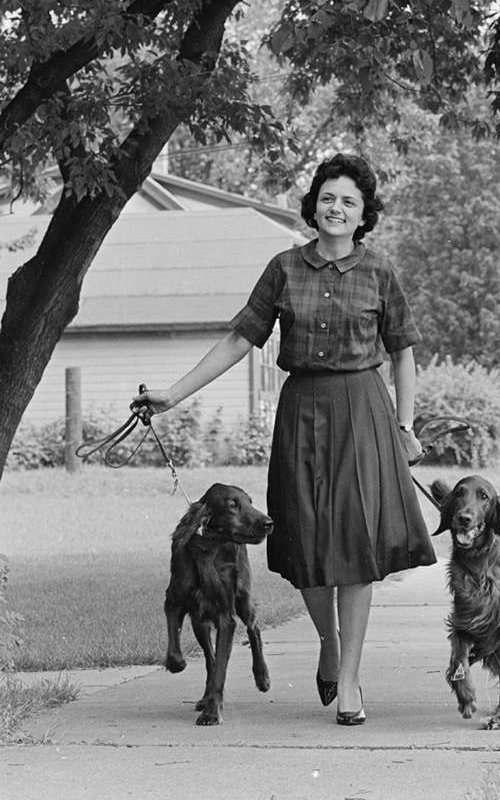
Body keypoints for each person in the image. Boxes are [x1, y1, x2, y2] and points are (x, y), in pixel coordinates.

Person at [132, 153, 436, 725]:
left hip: (362, 413)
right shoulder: (283, 268)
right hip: (301, 412)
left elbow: (404, 353)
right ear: (313, 204)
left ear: (364, 212)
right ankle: (328, 642)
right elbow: (239, 339)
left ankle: (349, 678)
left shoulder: (380, 272)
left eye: (349, 200)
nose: (336, 208)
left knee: (355, 549)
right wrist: (173, 394)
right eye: (328, 197)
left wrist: (404, 425)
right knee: (307, 546)